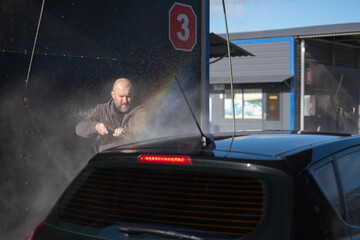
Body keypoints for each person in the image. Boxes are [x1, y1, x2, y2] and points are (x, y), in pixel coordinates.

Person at [76, 78, 146, 152]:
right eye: (121, 96)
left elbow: (143, 131)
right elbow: (79, 128)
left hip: (130, 159)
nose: (125, 101)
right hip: (107, 159)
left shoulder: (139, 111)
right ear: (113, 95)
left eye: (128, 96)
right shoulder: (101, 110)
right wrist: (96, 127)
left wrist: (126, 131)